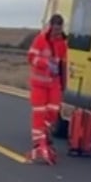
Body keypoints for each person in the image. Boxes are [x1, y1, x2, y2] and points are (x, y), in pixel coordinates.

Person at [26, 13, 68, 165]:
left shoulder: (62, 42)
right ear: (51, 27)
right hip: (39, 84)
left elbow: (63, 63)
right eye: (55, 29)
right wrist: (45, 64)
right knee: (39, 112)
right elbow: (31, 57)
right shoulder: (40, 39)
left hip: (54, 83)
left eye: (59, 30)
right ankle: (39, 142)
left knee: (53, 111)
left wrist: (64, 83)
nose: (57, 32)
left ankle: (45, 136)